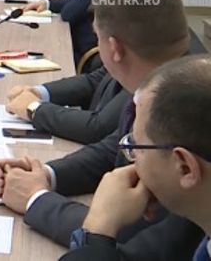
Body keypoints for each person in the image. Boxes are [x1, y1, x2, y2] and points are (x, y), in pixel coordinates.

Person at [0, 0, 202, 259]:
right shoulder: (168, 72)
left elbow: (133, 238)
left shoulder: (180, 102)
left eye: (97, 38)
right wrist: (45, 176)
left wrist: (36, 199)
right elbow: (116, 147)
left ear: (113, 47)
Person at [60, 56, 211, 260]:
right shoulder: (195, 217)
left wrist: (98, 227)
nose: (131, 158)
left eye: (135, 146)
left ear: (185, 168)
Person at [4, 63, 130, 145]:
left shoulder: (139, 79)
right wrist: (37, 92)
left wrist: (34, 108)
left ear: (114, 45)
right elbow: (95, 80)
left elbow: (97, 128)